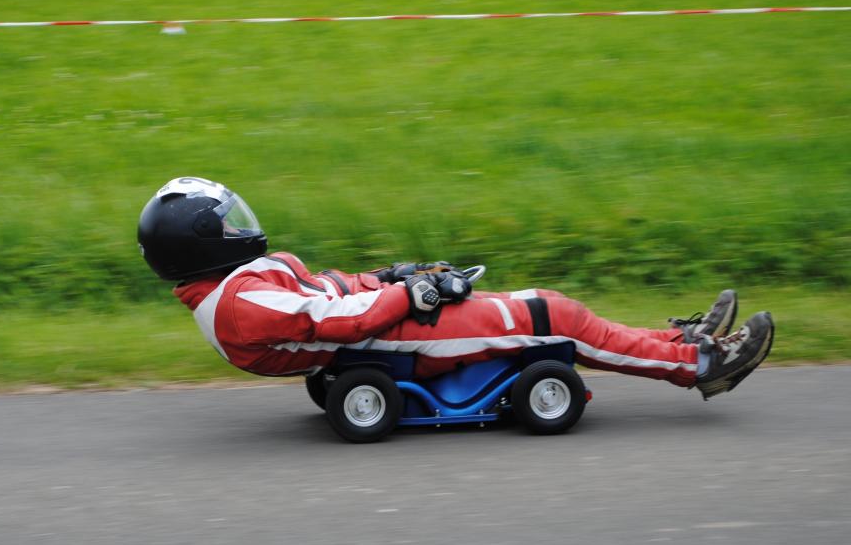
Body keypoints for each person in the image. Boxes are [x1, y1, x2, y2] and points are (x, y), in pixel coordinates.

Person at [137, 177, 774, 399]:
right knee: (556, 316)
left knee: (552, 312)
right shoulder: (243, 305)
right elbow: (339, 323)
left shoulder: (240, 285)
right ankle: (699, 364)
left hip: (389, 325)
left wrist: (394, 276)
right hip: (390, 343)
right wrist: (413, 297)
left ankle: (674, 341)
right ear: (204, 244)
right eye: (228, 224)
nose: (242, 227)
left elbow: (331, 291)